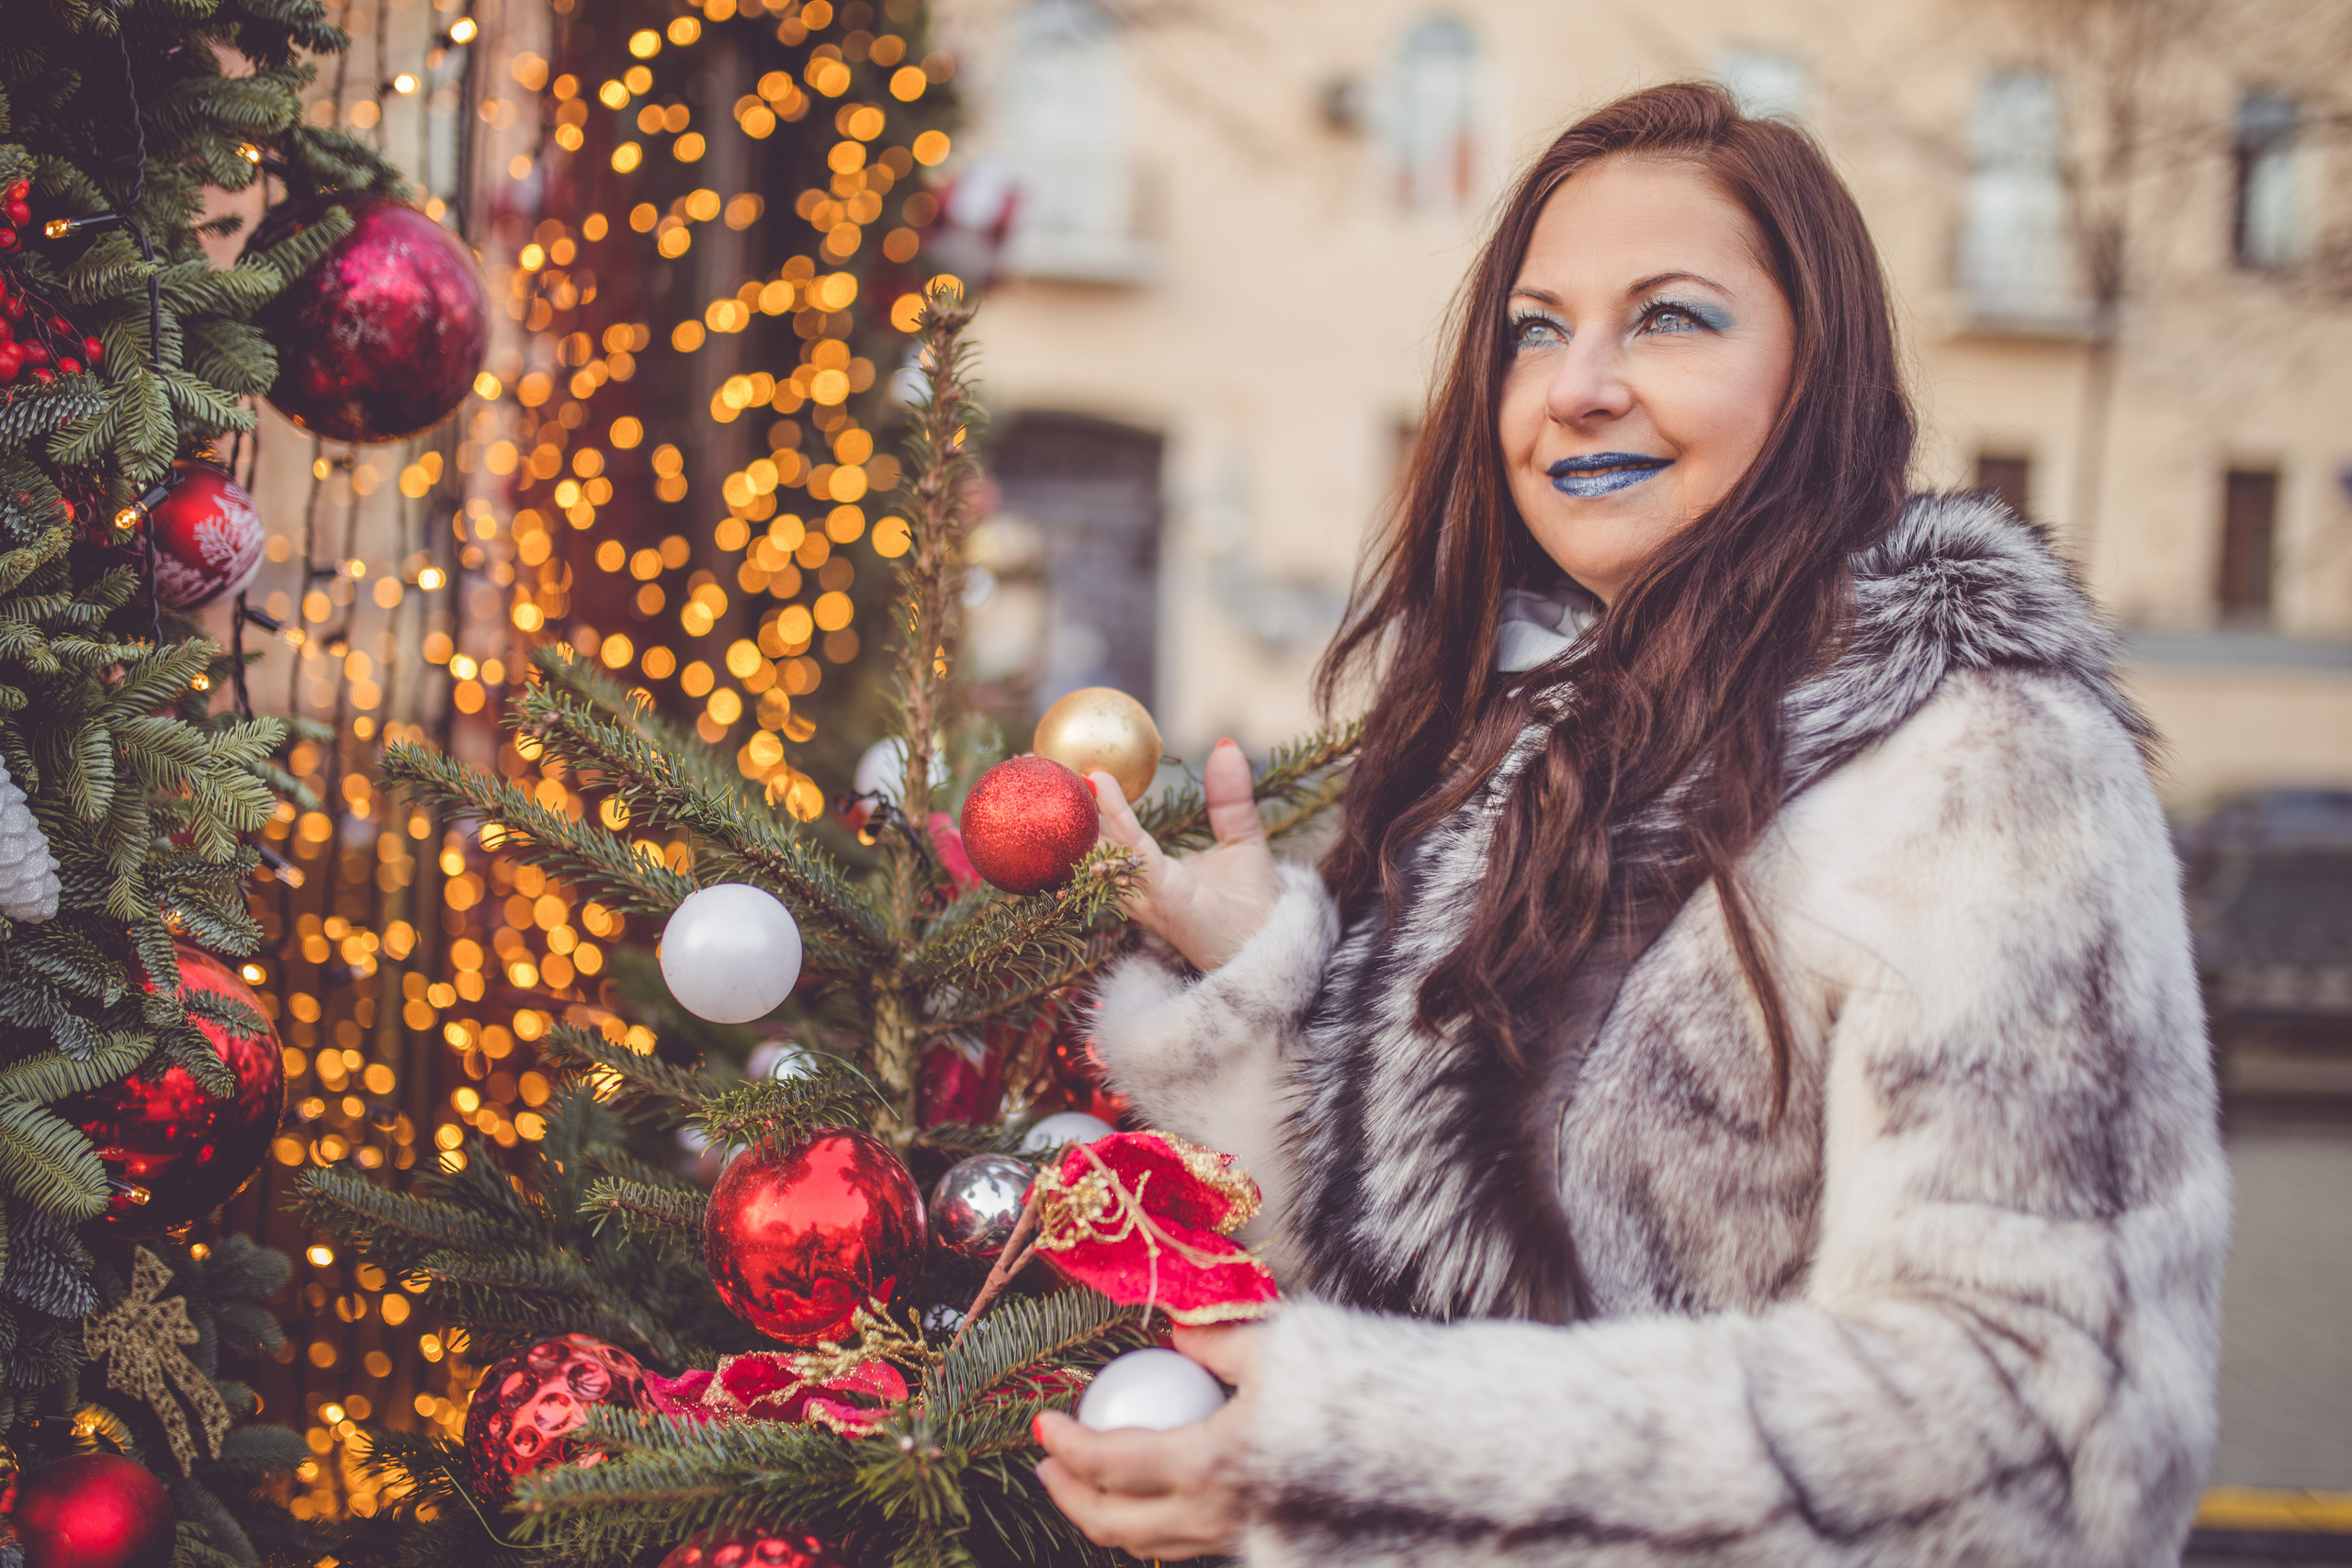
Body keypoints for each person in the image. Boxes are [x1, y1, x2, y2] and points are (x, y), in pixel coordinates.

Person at [1031, 81, 2229, 1566]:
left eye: (1668, 318)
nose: (1576, 386)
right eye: (1537, 328)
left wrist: (1374, 1463)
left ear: (1817, 371)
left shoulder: (1981, 761)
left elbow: (2044, 1434)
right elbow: (1421, 1277)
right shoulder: (1540, 753)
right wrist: (1259, 987)